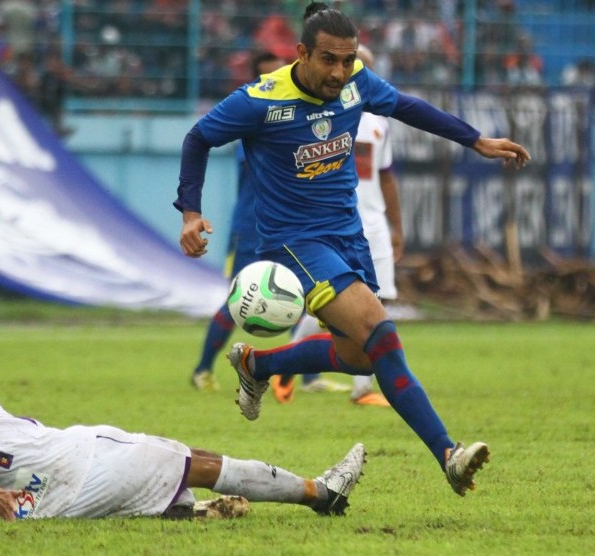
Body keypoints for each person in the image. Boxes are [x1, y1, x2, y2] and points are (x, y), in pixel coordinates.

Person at [175, 3, 529, 496]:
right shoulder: (261, 99)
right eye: (328, 60)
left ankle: (258, 365)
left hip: (348, 236)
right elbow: (198, 138)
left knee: (361, 358)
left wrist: (476, 140)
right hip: (293, 243)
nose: (339, 72)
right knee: (381, 334)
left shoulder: (356, 81)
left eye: (347, 60)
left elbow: (406, 106)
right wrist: (190, 213)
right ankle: (449, 454)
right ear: (301, 53)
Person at [0, 336, 366, 520]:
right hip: (74, 463)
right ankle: (321, 493)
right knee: (194, 461)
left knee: (165, 490)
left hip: (46, 511)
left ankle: (187, 514)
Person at [271, 44, 400, 408]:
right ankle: (342, 382)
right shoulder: (330, 114)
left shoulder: (380, 123)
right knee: (348, 305)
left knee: (374, 303)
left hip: (374, 221)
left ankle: (304, 370)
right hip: (340, 221)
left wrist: (396, 226)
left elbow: (386, 176)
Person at [190, 51, 287, 392]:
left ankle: (304, 377)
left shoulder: (288, 117)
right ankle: (202, 369)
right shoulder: (254, 123)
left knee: (314, 294)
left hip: (288, 226)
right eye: (267, 77)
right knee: (238, 302)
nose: (274, 82)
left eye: (279, 74)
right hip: (253, 228)